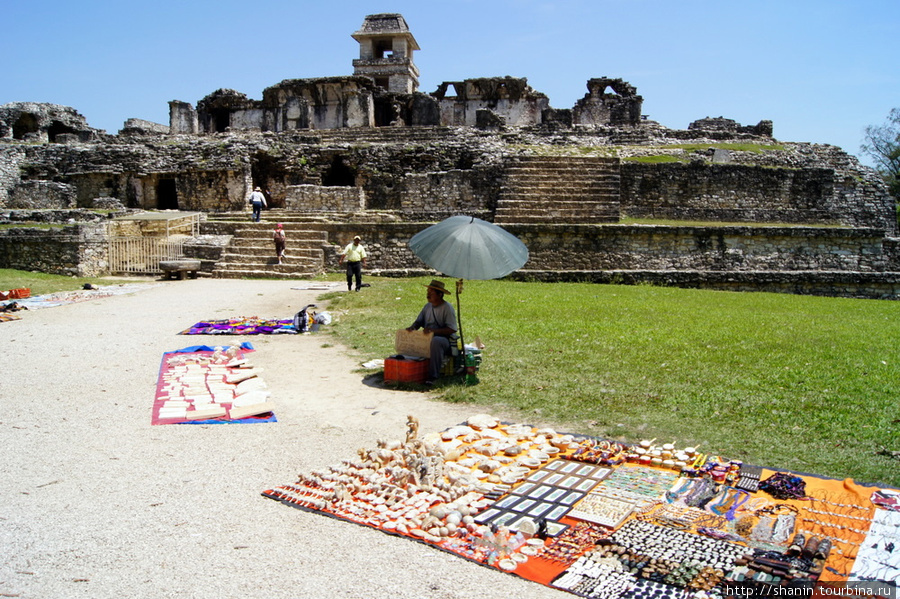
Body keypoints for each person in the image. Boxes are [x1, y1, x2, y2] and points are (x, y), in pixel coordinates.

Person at [406, 279, 458, 384]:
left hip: (444, 341)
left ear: (440, 294)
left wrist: (433, 331)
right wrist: (412, 328)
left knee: (436, 341)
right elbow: (419, 322)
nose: (428, 294)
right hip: (427, 337)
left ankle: (433, 376)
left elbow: (452, 329)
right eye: (428, 292)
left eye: (431, 292)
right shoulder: (427, 306)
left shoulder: (447, 308)